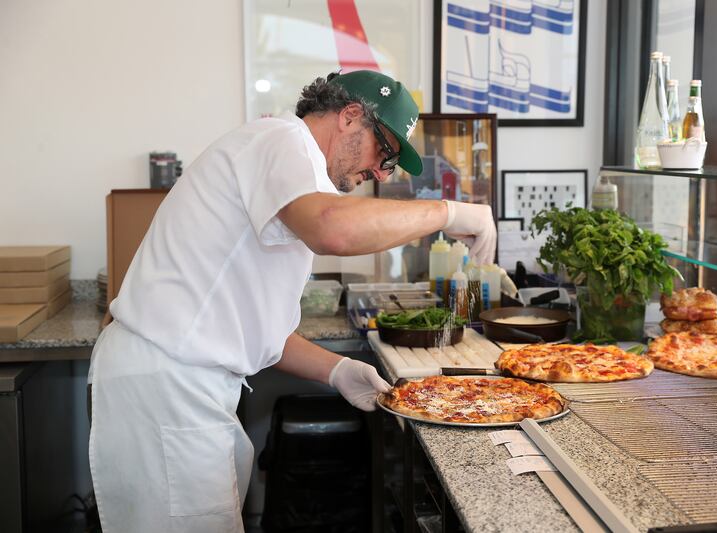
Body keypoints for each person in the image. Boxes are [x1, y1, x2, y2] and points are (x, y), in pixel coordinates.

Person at [87, 70, 496, 532]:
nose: (382, 173)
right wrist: (448, 211)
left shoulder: (293, 174)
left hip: (184, 380)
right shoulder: (281, 140)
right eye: (385, 152)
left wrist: (336, 370)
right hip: (167, 383)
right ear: (350, 116)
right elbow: (332, 228)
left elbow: (257, 328)